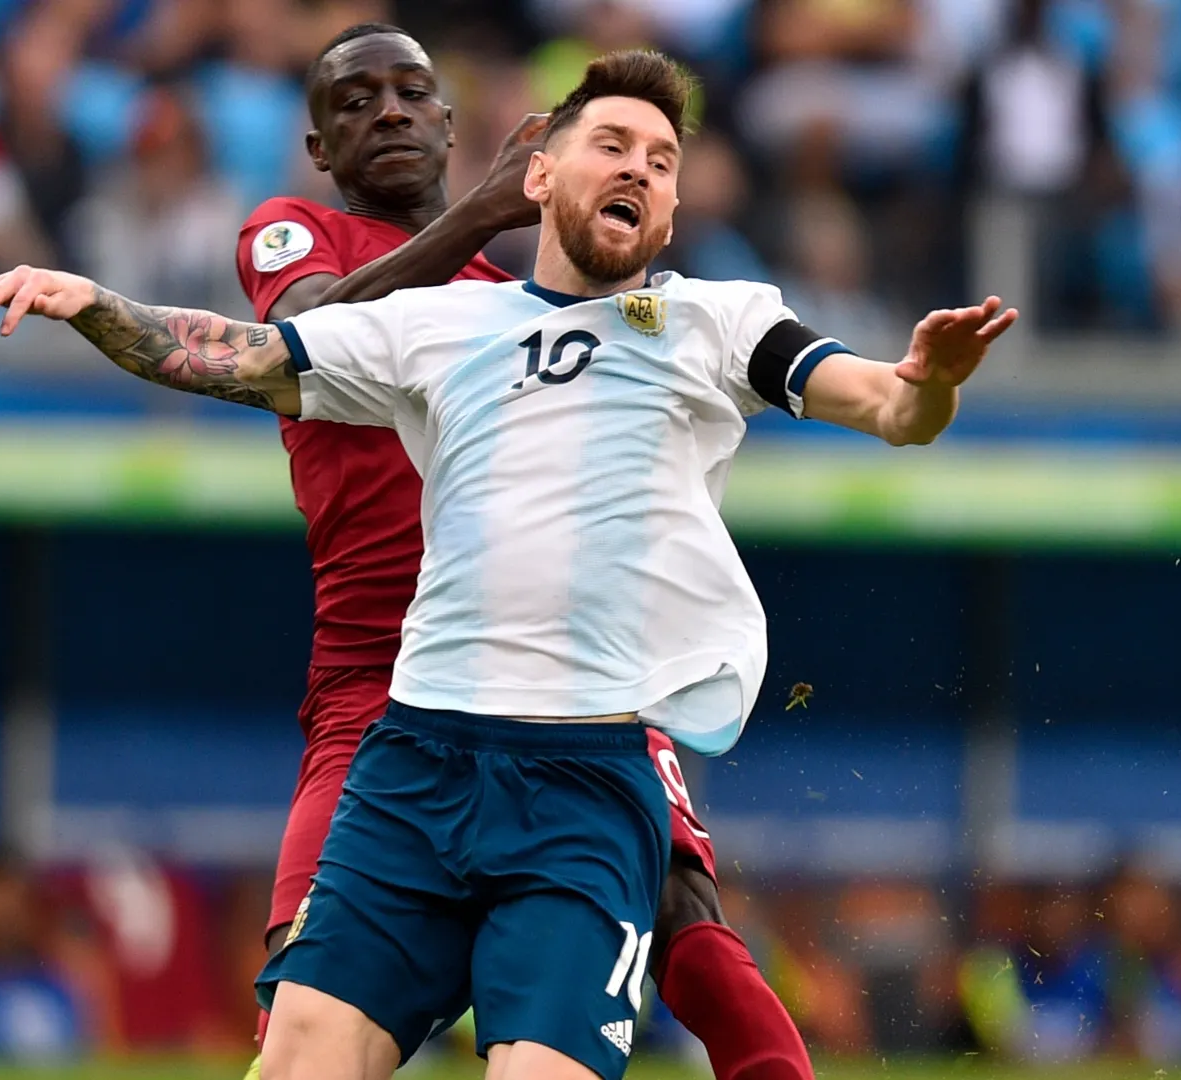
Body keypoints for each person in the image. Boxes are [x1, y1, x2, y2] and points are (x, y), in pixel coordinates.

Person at [0, 47, 1016, 1080]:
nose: (639, 164)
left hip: (586, 778)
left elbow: (885, 403)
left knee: (660, 955)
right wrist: (91, 302)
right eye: (611, 142)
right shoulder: (438, 323)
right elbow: (245, 356)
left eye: (661, 158)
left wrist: (929, 381)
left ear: (675, 211)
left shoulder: (717, 319)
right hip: (412, 760)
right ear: (538, 174)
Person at [232, 23, 810, 1080]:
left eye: (414, 92)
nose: (392, 112)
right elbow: (301, 335)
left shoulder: (528, 302)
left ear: (458, 127)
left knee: (688, 912)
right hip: (380, 688)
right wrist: (485, 211)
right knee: (306, 1009)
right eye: (357, 103)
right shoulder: (293, 235)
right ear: (319, 148)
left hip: (569, 685)